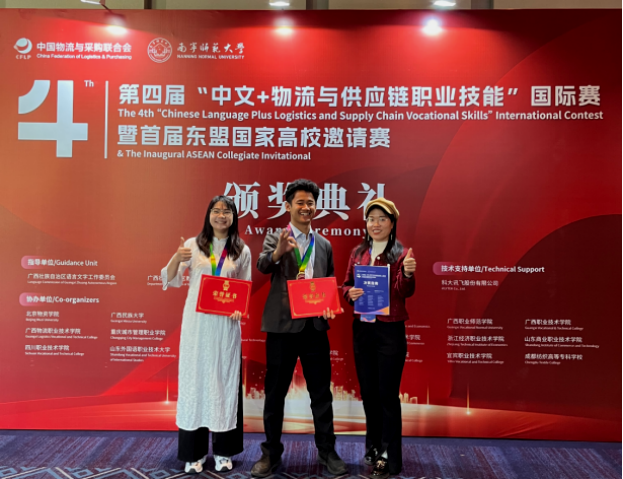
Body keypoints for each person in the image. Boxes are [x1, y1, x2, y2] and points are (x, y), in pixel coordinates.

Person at [251, 179, 348, 478]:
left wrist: (330, 305)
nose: (306, 208)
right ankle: (270, 452)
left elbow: (328, 281)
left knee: (321, 394)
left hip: (315, 327)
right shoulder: (276, 237)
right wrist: (278, 252)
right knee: (275, 393)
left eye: (310, 203)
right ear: (288, 206)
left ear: (316, 207)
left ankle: (327, 451)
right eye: (300, 203)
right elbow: (263, 266)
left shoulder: (324, 244)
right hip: (282, 327)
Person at [161, 196, 251, 475]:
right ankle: (193, 454)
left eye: (227, 211)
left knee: (224, 383)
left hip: (225, 328)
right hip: (197, 325)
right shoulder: (193, 244)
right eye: (216, 210)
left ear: (234, 217)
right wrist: (176, 258)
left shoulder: (241, 249)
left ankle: (224, 451)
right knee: (195, 383)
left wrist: (239, 308)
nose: (221, 215)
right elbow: (171, 279)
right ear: (208, 215)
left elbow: (245, 287)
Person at [341, 198, 417, 479]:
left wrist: (407, 274)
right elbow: (346, 284)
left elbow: (403, 291)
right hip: (363, 330)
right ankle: (374, 447)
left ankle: (388, 457)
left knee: (387, 395)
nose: (376, 224)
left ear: (392, 223)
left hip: (389, 331)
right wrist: (349, 293)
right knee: (369, 394)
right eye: (371, 218)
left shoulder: (401, 254)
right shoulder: (358, 252)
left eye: (382, 219)